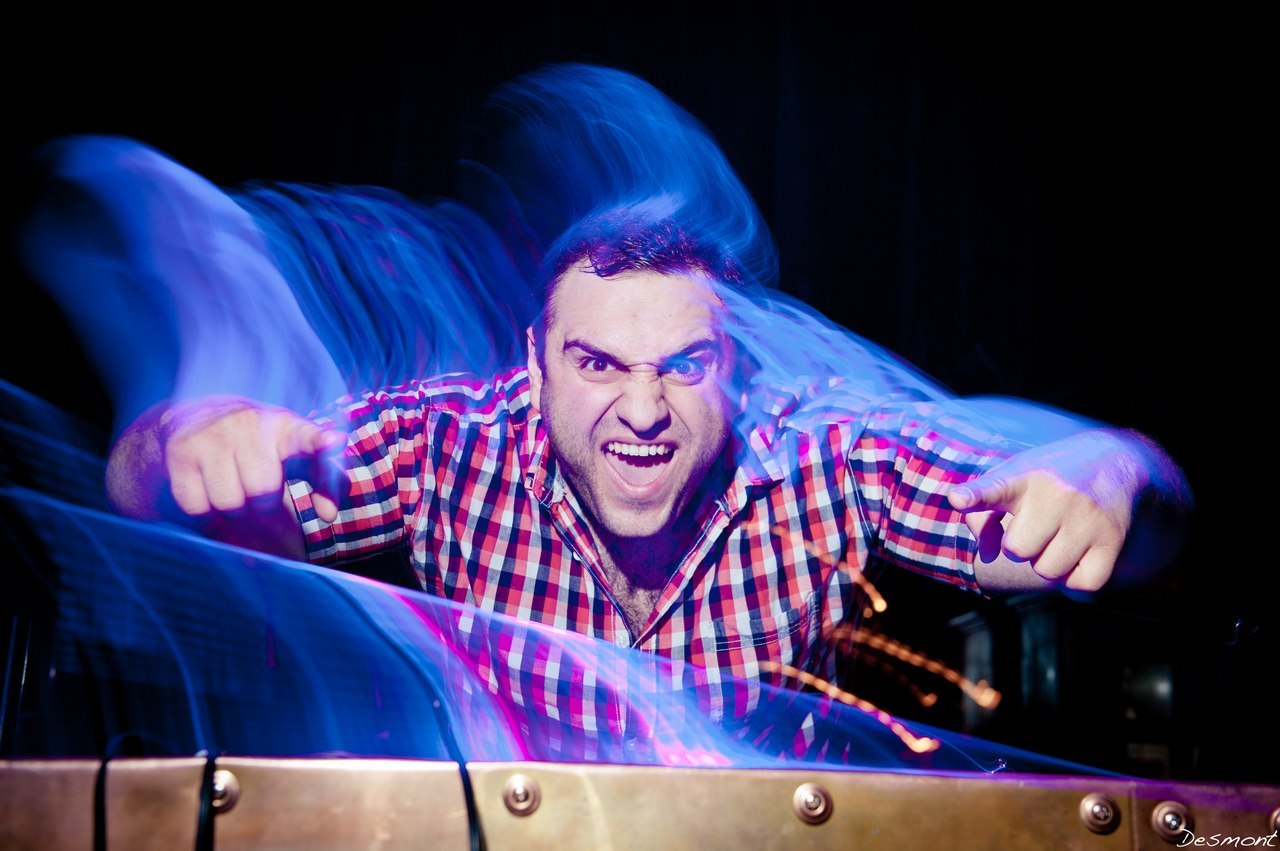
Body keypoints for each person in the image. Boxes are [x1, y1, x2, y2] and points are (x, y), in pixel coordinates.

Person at [104, 203, 1191, 689]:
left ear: (735, 369)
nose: (640, 409)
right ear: (534, 367)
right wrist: (179, 442)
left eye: (682, 365)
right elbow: (144, 489)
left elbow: (1094, 527)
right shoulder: (451, 443)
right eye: (596, 364)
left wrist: (1115, 477)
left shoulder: (819, 453)